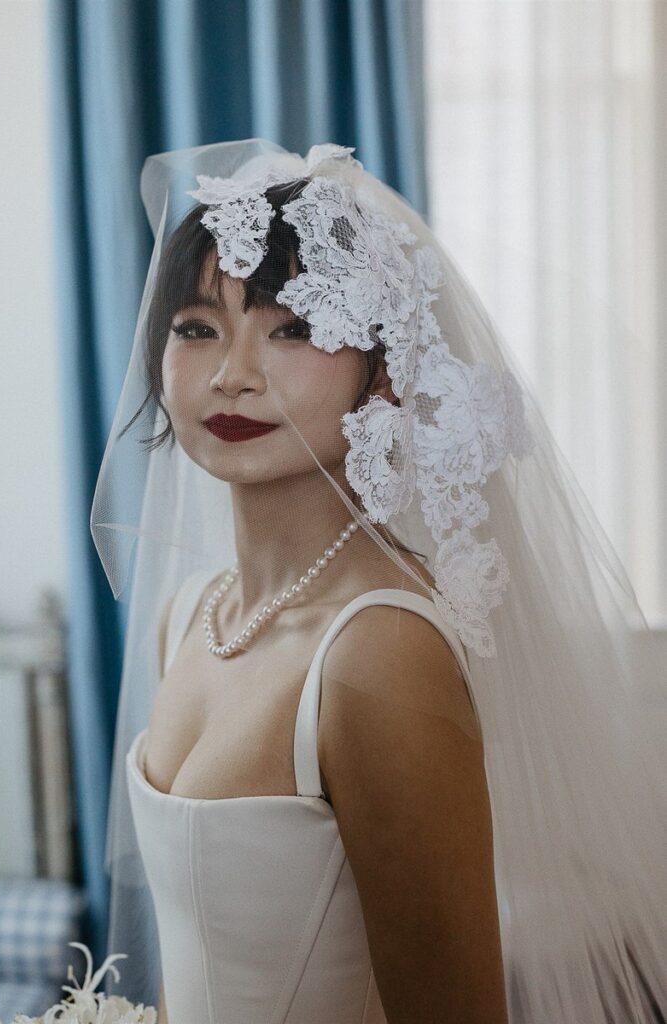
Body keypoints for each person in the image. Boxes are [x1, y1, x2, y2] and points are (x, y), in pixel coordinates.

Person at [92, 141, 667, 1023]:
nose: (231, 375)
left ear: (388, 367)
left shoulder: (379, 652)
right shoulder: (189, 618)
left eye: (294, 328)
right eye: (197, 327)